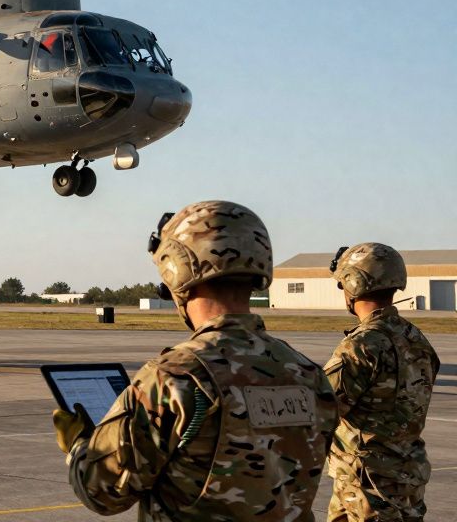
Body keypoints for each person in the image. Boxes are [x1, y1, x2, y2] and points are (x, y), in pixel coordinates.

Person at [53, 200, 338, 520]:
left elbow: (102, 493)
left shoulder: (175, 378)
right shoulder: (308, 375)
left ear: (176, 272)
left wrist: (80, 446)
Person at [325, 243, 439, 522]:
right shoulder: (416, 339)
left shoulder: (361, 346)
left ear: (353, 284)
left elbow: (321, 408)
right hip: (406, 478)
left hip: (368, 486)